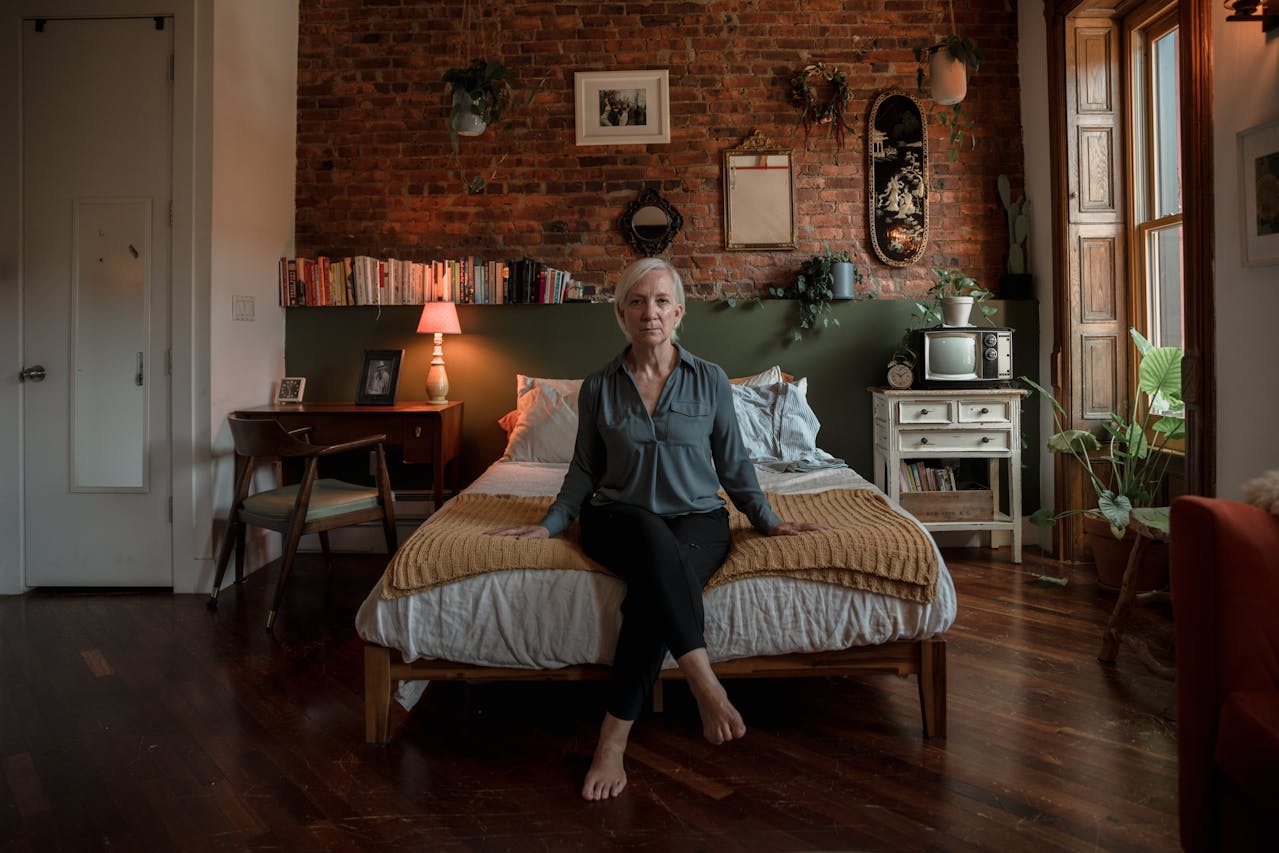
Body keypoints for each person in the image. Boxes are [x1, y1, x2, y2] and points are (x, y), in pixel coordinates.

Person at [487, 257, 825, 801]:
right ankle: (704, 682)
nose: (651, 312)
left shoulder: (711, 380)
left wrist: (769, 520)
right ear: (621, 314)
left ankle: (611, 743)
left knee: (652, 592)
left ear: (679, 312)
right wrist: (551, 525)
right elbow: (583, 471)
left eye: (662, 301)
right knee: (649, 538)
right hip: (616, 519)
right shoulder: (599, 386)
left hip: (698, 520)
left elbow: (735, 465)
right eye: (639, 302)